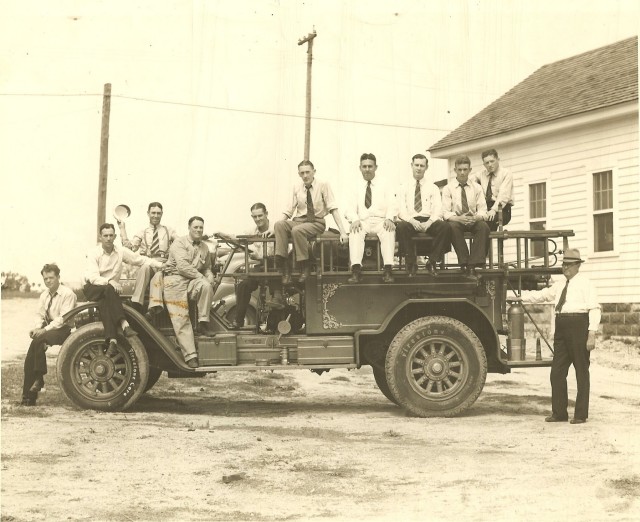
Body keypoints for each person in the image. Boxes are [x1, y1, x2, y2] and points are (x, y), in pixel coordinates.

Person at [519, 248, 601, 424]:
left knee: (581, 371)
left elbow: (594, 308)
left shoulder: (586, 284)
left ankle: (580, 415)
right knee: (556, 372)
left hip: (579, 325)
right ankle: (559, 413)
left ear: (578, 266)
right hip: (561, 327)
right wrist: (517, 297)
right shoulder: (559, 285)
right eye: (564, 264)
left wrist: (591, 333)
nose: (565, 268)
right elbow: (540, 296)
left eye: (569, 265)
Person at [84, 224, 163, 348]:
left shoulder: (120, 251)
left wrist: (160, 265)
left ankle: (113, 340)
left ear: (115, 236)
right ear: (100, 237)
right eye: (105, 236)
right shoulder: (93, 253)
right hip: (93, 287)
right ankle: (124, 323)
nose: (108, 238)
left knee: (105, 304)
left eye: (111, 235)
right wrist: (110, 281)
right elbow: (93, 278)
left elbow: (139, 259)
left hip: (109, 292)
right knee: (109, 290)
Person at [273, 160, 348, 284]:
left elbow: (333, 208)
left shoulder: (323, 185)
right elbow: (288, 210)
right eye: (302, 173)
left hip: (316, 222)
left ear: (314, 172)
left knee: (297, 230)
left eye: (308, 172)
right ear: (299, 174)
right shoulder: (296, 187)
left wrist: (343, 232)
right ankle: (284, 265)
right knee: (279, 225)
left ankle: (304, 265)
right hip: (299, 221)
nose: (305, 176)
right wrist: (273, 229)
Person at [158, 216, 215, 368]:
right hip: (175, 281)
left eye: (201, 227)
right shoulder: (179, 243)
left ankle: (203, 322)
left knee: (206, 286)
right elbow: (183, 267)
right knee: (181, 318)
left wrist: (210, 277)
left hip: (191, 280)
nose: (198, 230)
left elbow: (207, 267)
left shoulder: (204, 247)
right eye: (195, 227)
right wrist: (202, 276)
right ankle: (191, 356)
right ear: (189, 228)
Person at [216, 203, 282, 328]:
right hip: (262, 265)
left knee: (274, 269)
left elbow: (286, 249)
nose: (257, 219)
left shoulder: (276, 227)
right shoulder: (252, 231)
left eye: (260, 216)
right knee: (243, 285)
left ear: (266, 214)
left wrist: (262, 256)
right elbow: (238, 238)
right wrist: (223, 234)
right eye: (254, 217)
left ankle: (277, 304)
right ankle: (239, 320)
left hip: (277, 264)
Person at [21, 264, 77, 406]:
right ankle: (28, 396)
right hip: (49, 329)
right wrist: (37, 328)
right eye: (45, 278)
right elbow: (40, 314)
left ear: (58, 277)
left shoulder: (68, 294)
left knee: (39, 340)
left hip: (65, 330)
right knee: (30, 354)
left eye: (51, 278)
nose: (48, 281)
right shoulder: (44, 295)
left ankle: (39, 379)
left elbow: (62, 319)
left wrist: (44, 331)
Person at [344, 153, 397, 283]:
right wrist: (354, 219)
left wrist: (389, 218)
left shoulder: (385, 183)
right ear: (360, 167)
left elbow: (393, 203)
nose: (367, 169)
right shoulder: (354, 185)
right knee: (355, 231)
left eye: (370, 166)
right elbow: (349, 207)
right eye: (364, 166)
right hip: (363, 221)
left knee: (389, 230)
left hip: (381, 220)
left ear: (376, 167)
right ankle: (356, 269)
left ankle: (388, 269)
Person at [396, 154, 451, 276]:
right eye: (416, 165)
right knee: (401, 227)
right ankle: (411, 263)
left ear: (426, 167)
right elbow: (400, 210)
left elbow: (438, 209)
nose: (419, 168)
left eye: (422, 165)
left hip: (428, 220)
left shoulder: (433, 188)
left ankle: (432, 261)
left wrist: (429, 222)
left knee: (445, 227)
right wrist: (412, 221)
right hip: (410, 221)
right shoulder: (403, 187)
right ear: (411, 166)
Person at [117, 201, 177, 311]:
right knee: (144, 267)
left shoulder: (168, 230)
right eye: (153, 213)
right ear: (148, 213)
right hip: (148, 262)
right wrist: (122, 229)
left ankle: (154, 308)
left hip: (164, 264)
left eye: (158, 213)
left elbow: (181, 243)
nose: (156, 216)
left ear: (162, 214)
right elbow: (130, 248)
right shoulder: (142, 232)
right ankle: (136, 303)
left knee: (158, 273)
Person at [441, 155, 490, 277]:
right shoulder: (448, 188)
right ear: (455, 170)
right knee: (452, 227)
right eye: (459, 170)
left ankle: (472, 265)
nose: (462, 173)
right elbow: (445, 212)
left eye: (465, 169)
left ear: (470, 170)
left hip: (473, 219)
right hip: (457, 220)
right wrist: (458, 218)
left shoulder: (477, 188)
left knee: (484, 227)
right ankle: (464, 262)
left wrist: (476, 217)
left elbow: (483, 210)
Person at [470, 148, 514, 231]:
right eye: (487, 163)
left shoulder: (506, 173)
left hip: (502, 209)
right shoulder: (481, 174)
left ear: (498, 160)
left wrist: (494, 210)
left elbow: (503, 196)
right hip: (486, 208)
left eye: (492, 161)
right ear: (484, 164)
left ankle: (483, 243)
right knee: (475, 222)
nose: (489, 164)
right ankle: (481, 243)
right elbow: (468, 182)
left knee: (488, 221)